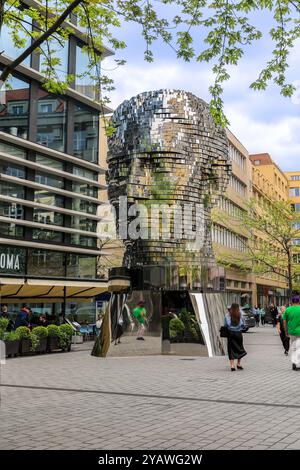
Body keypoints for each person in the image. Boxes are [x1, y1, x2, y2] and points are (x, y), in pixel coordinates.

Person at [224, 303, 247, 371]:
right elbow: (243, 324)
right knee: (239, 348)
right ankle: (239, 364)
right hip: (238, 333)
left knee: (231, 349)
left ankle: (232, 365)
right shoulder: (240, 314)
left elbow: (226, 324)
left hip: (230, 333)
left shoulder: (227, 315)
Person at [283, 296, 300, 371]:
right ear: (299, 302)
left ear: (292, 302)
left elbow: (284, 322)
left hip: (291, 331)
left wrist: (286, 331)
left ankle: (294, 364)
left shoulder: (287, 310)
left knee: (294, 347)